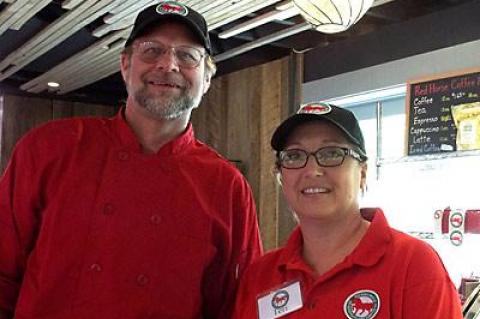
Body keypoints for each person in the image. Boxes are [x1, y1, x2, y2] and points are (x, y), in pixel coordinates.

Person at [0, 2, 262, 318]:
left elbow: (238, 304)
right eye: (152, 50)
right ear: (125, 66)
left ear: (206, 79)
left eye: (187, 56)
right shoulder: (48, 148)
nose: (168, 65)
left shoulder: (228, 185)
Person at [232, 102, 463, 319]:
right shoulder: (259, 276)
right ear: (281, 176)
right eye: (294, 156)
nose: (312, 170)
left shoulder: (415, 265)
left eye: (332, 153)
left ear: (362, 172)